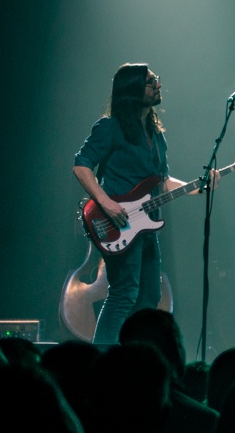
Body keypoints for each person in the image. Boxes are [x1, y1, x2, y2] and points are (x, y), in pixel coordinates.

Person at [73, 65, 214, 346]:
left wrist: (198, 186)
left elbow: (160, 181)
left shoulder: (156, 135)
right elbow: (81, 165)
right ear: (133, 89)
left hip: (147, 227)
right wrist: (107, 202)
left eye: (156, 80)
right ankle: (99, 366)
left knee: (149, 297)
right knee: (123, 294)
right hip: (118, 223)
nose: (158, 85)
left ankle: (130, 355)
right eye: (151, 82)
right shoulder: (110, 127)